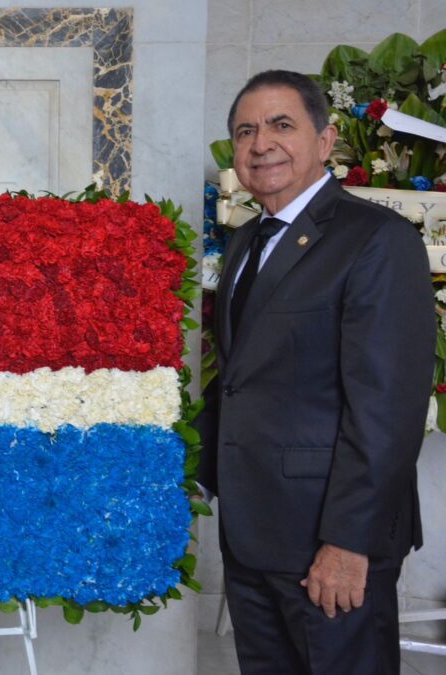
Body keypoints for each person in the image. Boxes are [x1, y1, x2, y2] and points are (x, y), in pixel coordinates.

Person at [197, 70, 433, 674]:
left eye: (282, 125)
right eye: (245, 130)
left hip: (330, 539)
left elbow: (387, 409)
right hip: (253, 533)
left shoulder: (376, 239)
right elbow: (242, 381)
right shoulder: (249, 240)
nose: (260, 143)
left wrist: (349, 542)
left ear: (326, 141)